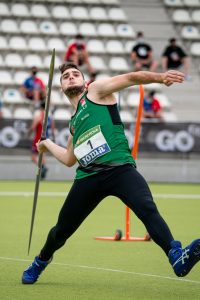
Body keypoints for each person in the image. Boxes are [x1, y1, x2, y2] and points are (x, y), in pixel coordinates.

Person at [22, 63, 200, 284]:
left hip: (120, 169)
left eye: (75, 74)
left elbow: (133, 77)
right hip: (88, 177)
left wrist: (160, 77)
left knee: (147, 208)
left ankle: (176, 256)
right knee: (61, 231)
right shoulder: (74, 124)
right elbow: (69, 159)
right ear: (61, 88)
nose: (70, 77)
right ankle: (41, 260)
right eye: (66, 76)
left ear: (84, 82)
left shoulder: (96, 91)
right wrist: (47, 144)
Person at [28, 100, 55, 179]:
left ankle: (43, 168)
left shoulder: (39, 115)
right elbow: (53, 129)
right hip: (46, 139)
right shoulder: (50, 117)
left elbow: (33, 127)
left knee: (33, 157)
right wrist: (54, 138)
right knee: (42, 155)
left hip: (38, 138)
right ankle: (43, 168)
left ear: (40, 107)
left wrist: (28, 132)